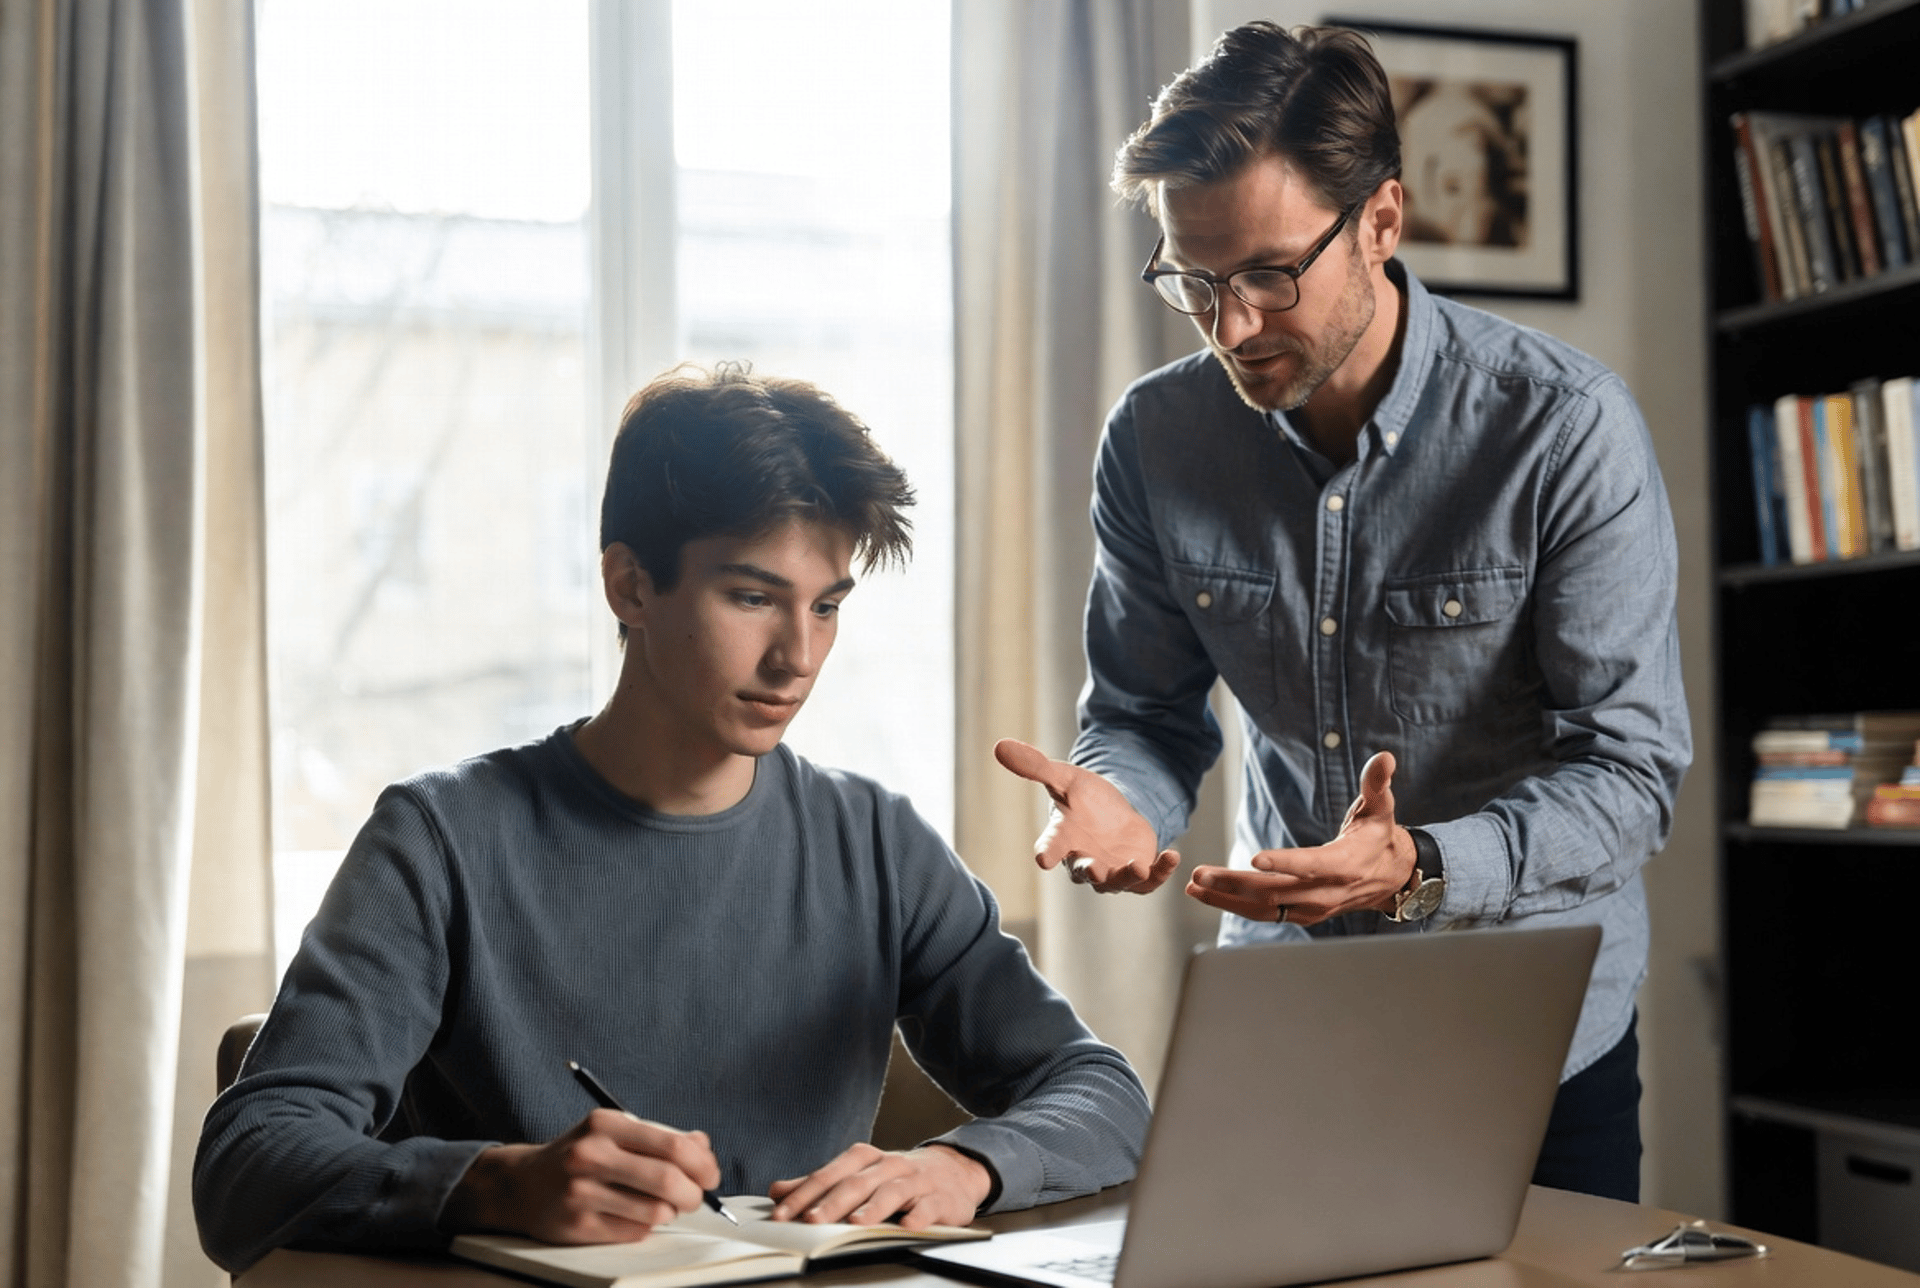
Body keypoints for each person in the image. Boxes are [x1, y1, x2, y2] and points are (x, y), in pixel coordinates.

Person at [195, 365, 1149, 1274]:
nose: (798, 656)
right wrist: (496, 1183)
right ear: (629, 585)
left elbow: (1106, 1097)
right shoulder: (439, 838)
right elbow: (249, 1161)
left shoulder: (878, 843)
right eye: (752, 597)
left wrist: (960, 1168)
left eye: (826, 606)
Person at [995, 22, 1688, 1203]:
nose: (1231, 328)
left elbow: (1630, 778)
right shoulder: (1157, 441)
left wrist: (1415, 865)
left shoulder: (1564, 429)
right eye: (1192, 281)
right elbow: (1144, 711)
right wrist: (1122, 795)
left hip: (1530, 1035)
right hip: (1289, 1020)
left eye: (1269, 273)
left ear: (1379, 222)